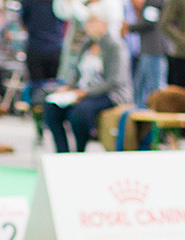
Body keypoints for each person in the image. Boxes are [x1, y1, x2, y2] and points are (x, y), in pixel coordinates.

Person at [43, 5, 132, 152]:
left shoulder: (115, 46)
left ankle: (80, 151)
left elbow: (113, 81)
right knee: (51, 107)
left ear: (104, 22)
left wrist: (84, 93)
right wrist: (68, 88)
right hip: (83, 93)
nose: (87, 26)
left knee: (79, 112)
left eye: (91, 21)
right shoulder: (87, 43)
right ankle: (62, 153)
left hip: (110, 94)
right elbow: (76, 73)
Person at [125, 0, 169, 107]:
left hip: (153, 50)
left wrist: (129, 27)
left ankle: (155, 120)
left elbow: (149, 23)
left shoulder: (154, 2)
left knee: (155, 89)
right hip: (149, 50)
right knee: (141, 86)